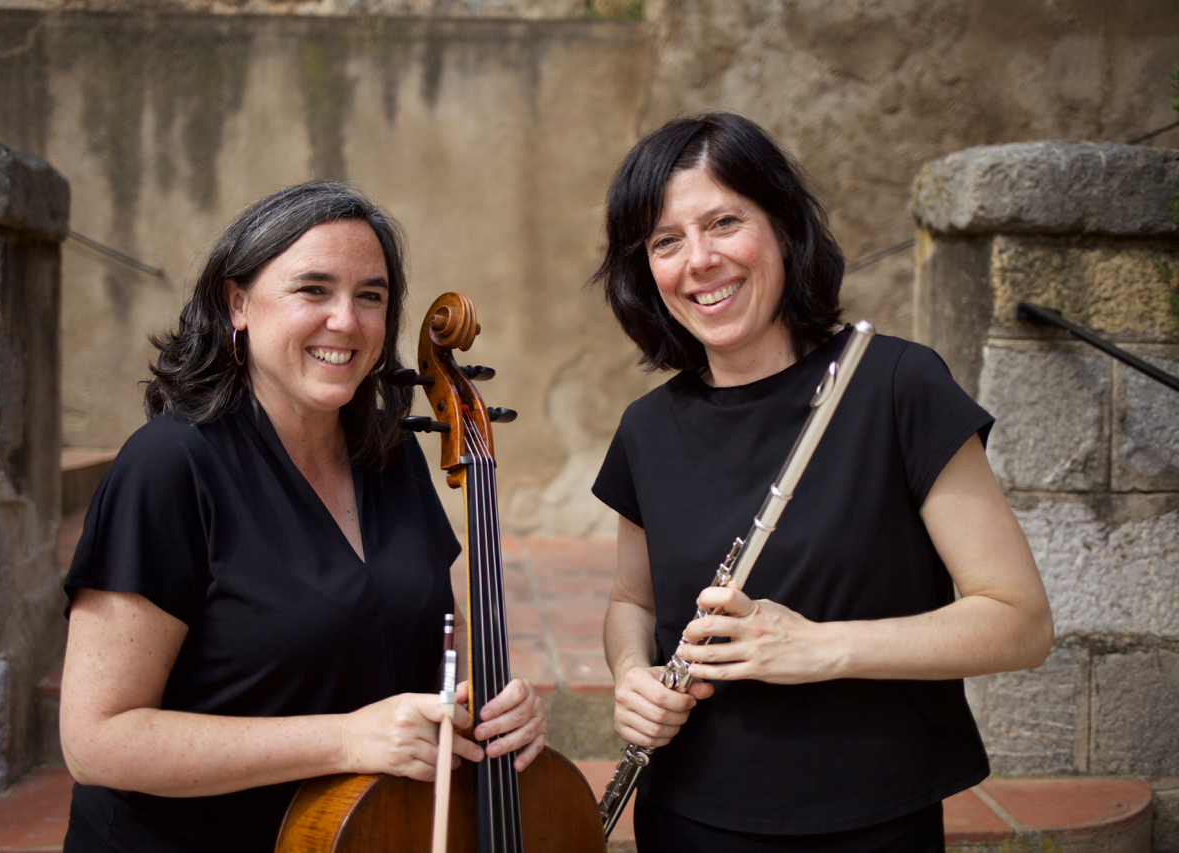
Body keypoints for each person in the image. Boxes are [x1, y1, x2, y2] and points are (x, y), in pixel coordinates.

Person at [590, 113, 1053, 853]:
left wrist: (818, 647)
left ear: (782, 226)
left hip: (866, 820)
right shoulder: (648, 427)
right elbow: (631, 600)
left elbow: (1019, 622)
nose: (699, 260)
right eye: (665, 241)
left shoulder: (898, 384)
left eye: (723, 222)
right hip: (685, 816)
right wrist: (630, 676)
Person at [59, 181, 546, 853]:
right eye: (313, 290)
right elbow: (97, 740)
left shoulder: (391, 452)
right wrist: (344, 737)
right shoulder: (169, 465)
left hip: (364, 835)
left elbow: (436, 632)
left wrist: (484, 701)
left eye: (369, 296)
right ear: (238, 304)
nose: (345, 320)